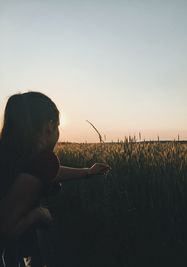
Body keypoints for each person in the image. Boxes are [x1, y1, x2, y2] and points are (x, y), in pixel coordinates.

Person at [0, 91, 110, 266]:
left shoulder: (13, 156)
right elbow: (4, 229)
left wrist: (87, 171)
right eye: (57, 125)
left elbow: (47, 174)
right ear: (49, 127)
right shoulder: (42, 162)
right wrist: (38, 214)